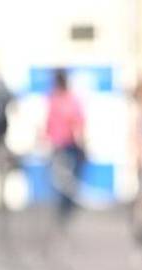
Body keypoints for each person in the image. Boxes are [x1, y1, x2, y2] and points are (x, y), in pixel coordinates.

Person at [44, 68, 86, 216]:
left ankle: (66, 207)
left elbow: (78, 122)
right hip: (59, 144)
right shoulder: (54, 99)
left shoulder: (70, 99)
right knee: (60, 177)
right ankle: (62, 207)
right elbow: (49, 122)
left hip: (68, 143)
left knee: (68, 177)